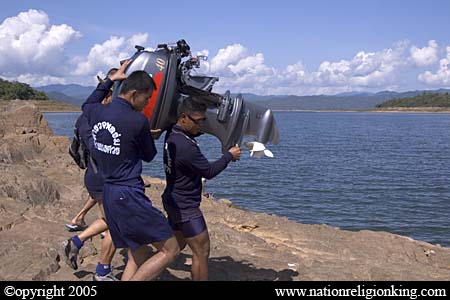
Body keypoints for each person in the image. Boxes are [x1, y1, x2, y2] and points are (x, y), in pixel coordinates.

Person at [81, 63, 179, 281]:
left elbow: (87, 103)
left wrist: (111, 79)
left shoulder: (97, 111)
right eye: (146, 99)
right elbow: (149, 155)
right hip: (128, 195)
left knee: (141, 252)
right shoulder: (138, 121)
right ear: (134, 94)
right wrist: (150, 136)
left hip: (109, 193)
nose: (146, 105)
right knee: (170, 250)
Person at [162, 97, 241, 280]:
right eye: (198, 121)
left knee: (172, 249)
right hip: (186, 206)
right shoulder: (186, 148)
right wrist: (229, 156)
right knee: (202, 251)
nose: (201, 125)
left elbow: (192, 135)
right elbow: (209, 171)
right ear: (183, 117)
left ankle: (141, 269)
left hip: (172, 200)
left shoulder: (172, 134)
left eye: (204, 120)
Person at [63, 67, 120, 281]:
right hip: (99, 177)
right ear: (107, 96)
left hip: (96, 176)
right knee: (116, 224)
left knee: (109, 219)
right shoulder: (90, 119)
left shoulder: (92, 116)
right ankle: (102, 272)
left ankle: (76, 241)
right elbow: (98, 147)